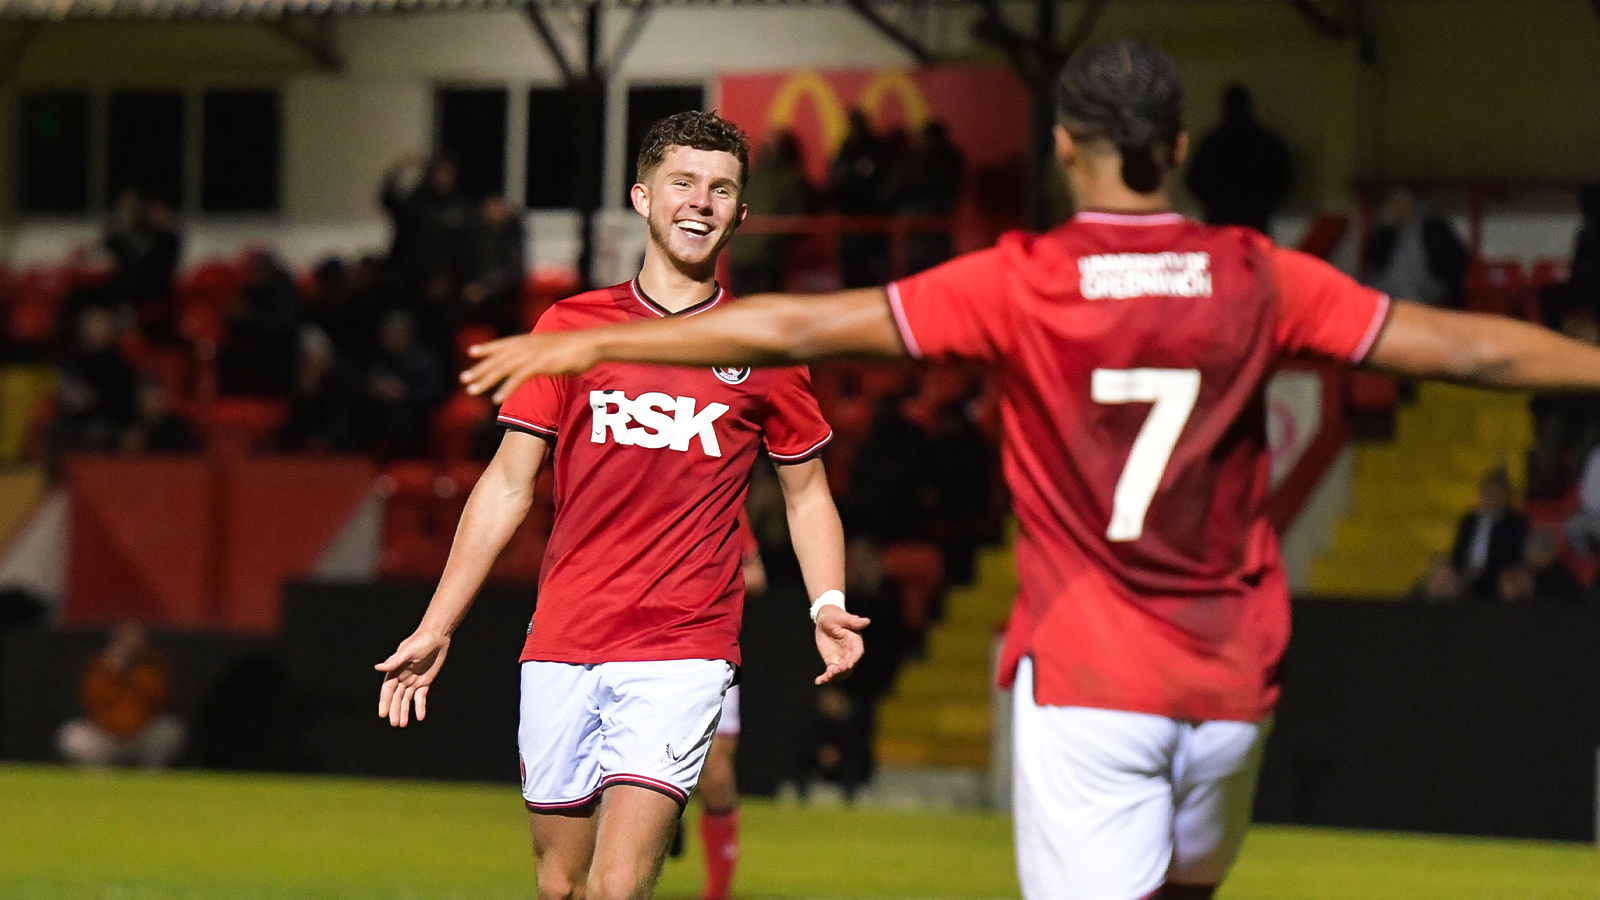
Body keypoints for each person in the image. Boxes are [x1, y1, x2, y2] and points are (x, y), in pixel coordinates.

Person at [458, 39, 1600, 900]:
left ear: (1062, 146)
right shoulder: (1257, 273)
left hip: (1091, 681)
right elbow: (1470, 346)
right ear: (1182, 149)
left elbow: (790, 333)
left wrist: (591, 338)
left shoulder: (1022, 279)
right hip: (1233, 686)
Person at [374, 111, 868, 900]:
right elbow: (507, 484)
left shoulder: (763, 343)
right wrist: (438, 625)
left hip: (683, 644)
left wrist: (827, 602)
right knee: (560, 885)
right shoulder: (570, 329)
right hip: (565, 636)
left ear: (740, 213)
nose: (700, 202)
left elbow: (807, 492)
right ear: (642, 197)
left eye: (721, 189)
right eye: (683, 183)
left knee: (616, 886)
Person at [57, 621, 186, 769]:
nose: (131, 641)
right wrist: (112, 672)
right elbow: (91, 700)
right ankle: (103, 777)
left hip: (141, 736)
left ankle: (149, 776)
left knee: (170, 730)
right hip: (107, 737)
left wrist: (131, 673)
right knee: (71, 736)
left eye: (135, 635)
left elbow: (159, 699)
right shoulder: (101, 664)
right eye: (126, 636)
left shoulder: (152, 664)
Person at [1183, 84, 1292, 234]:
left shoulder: (1214, 143)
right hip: (1253, 222)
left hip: (1222, 221)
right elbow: (1283, 179)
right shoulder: (1265, 141)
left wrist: (1216, 204)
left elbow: (1193, 180)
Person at [1448, 468, 1529, 601]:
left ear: (1504, 497)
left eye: (1494, 493)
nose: (1489, 497)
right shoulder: (1469, 521)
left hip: (1495, 575)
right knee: (1442, 575)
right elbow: (1458, 551)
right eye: (1486, 492)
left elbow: (1514, 555)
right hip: (1465, 572)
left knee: (1510, 583)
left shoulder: (1514, 523)